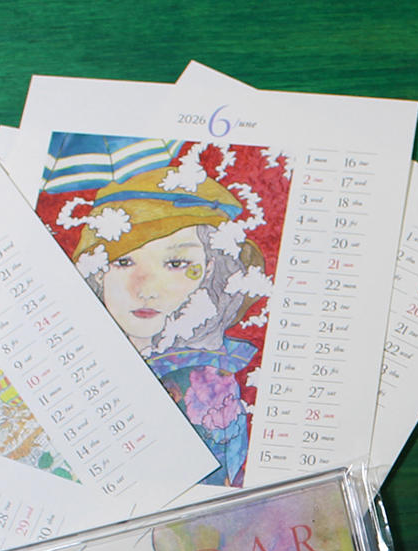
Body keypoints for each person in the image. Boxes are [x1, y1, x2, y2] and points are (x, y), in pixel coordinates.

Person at [60, 146, 271, 486]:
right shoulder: (85, 356)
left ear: (210, 269)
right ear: (97, 271)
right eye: (123, 261)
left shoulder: (201, 385)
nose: (146, 288)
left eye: (175, 263)